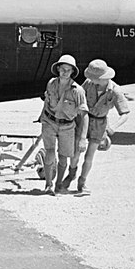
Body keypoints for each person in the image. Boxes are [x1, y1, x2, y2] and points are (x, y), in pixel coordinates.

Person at [67, 58, 130, 194]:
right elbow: (78, 97)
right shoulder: (89, 84)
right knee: (76, 152)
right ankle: (71, 174)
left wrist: (113, 127)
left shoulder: (115, 91)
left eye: (94, 78)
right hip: (84, 121)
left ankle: (82, 183)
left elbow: (125, 113)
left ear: (103, 78)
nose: (91, 79)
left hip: (100, 124)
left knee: (89, 156)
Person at [36, 54, 88, 195]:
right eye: (62, 69)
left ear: (72, 72)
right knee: (50, 152)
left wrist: (82, 138)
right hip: (50, 122)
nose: (65, 72)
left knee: (64, 157)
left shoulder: (78, 91)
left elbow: (84, 115)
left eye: (68, 70)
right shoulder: (51, 83)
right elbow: (47, 102)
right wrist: (41, 117)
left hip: (67, 126)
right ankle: (48, 184)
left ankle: (59, 184)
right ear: (58, 69)